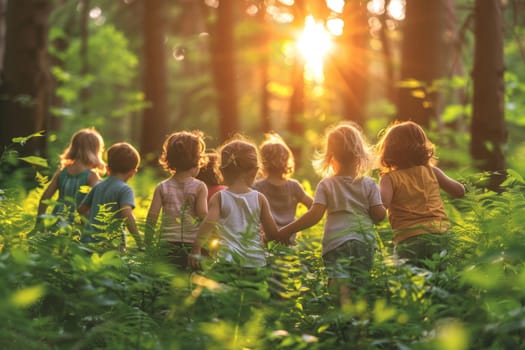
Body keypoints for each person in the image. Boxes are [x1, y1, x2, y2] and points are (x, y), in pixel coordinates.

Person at [279, 122, 386, 306]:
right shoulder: (369, 184)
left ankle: (340, 319)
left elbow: (314, 215)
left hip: (336, 243)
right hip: (363, 242)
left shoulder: (326, 184)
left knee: (338, 284)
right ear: (360, 154)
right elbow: (379, 215)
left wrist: (287, 229)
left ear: (331, 156)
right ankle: (358, 322)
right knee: (360, 285)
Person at [376, 120, 465, 266]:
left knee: (411, 284)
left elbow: (382, 205)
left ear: (388, 151)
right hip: (439, 234)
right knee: (439, 281)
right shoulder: (432, 171)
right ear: (423, 147)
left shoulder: (389, 179)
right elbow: (460, 191)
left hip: (408, 238)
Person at [189, 137, 285, 270]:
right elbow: (272, 233)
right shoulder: (260, 198)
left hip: (227, 262)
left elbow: (209, 223)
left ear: (221, 171)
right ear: (255, 171)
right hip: (255, 262)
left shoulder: (219, 197)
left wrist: (196, 247)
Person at [145, 131, 208, 268]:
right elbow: (203, 216)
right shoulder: (199, 187)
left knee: (167, 283)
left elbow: (152, 218)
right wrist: (200, 246)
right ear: (197, 160)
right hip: (192, 245)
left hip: (166, 245)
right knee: (192, 283)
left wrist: (148, 245)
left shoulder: (162, 187)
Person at [78, 142, 142, 250]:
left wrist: (91, 223)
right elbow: (127, 215)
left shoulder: (97, 186)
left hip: (88, 243)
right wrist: (140, 242)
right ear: (132, 172)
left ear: (108, 169)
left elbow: (81, 209)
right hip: (111, 246)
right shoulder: (125, 190)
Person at [253, 133, 313, 243]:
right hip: (289, 237)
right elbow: (313, 206)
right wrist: (297, 225)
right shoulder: (294, 186)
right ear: (287, 161)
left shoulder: (258, 187)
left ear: (262, 162)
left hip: (266, 239)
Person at [37, 128, 105, 225]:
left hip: (58, 219)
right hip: (79, 224)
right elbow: (100, 203)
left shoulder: (61, 173)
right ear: (95, 151)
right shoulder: (91, 176)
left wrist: (39, 223)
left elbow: (45, 198)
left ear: (73, 148)